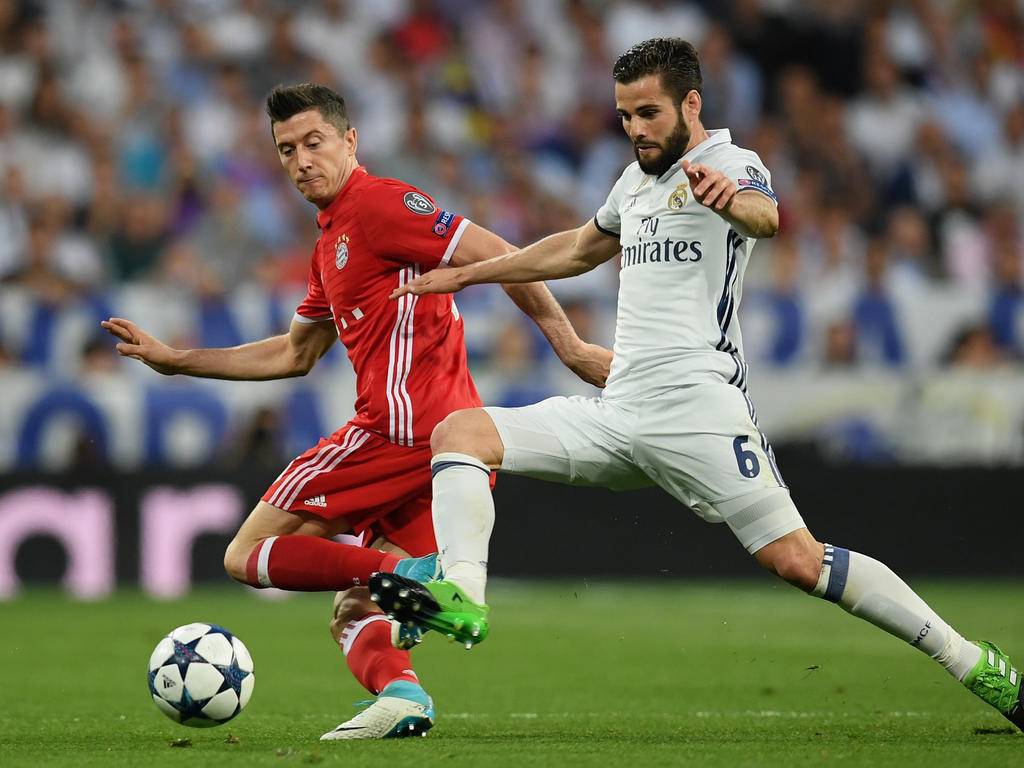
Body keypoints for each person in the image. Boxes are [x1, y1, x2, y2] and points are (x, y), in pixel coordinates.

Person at [372, 38, 1024, 731]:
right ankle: (464, 595)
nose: (636, 130)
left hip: (700, 410)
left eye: (648, 113)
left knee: (799, 562)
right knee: (461, 434)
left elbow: (765, 216)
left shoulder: (731, 164)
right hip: (620, 407)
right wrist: (472, 274)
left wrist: (730, 200)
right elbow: (576, 247)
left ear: (690, 103)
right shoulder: (634, 183)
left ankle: (970, 661)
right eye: (625, 116)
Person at [102, 83, 610, 740]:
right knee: (353, 608)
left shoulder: (379, 204)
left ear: (350, 142)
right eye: (287, 150)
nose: (301, 160)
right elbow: (293, 354)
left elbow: (499, 257)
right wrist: (177, 361)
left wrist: (567, 345)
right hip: (448, 456)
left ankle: (418, 576)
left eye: (314, 142)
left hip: (398, 435)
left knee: (246, 554)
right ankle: (403, 697)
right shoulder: (330, 244)